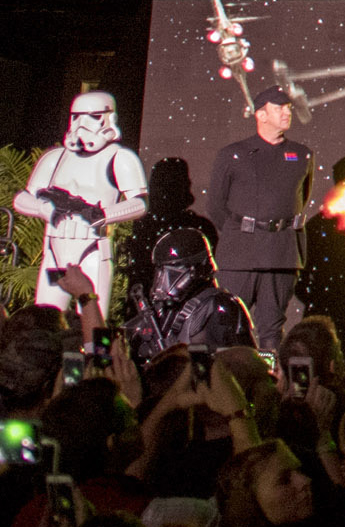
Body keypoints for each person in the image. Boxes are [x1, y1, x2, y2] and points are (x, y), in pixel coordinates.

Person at [12, 89, 151, 312]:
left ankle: (102, 349)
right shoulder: (54, 158)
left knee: (95, 326)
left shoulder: (119, 158)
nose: (82, 124)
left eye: (93, 117)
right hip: (55, 251)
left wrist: (104, 215)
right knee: (46, 319)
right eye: (76, 117)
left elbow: (140, 203)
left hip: (92, 251)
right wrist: (43, 208)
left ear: (108, 118)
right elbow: (21, 198)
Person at [208, 86, 320, 341]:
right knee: (230, 324)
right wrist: (243, 233)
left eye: (288, 108)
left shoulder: (302, 155)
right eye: (278, 107)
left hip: (280, 253)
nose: (286, 113)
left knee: (271, 328)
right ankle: (228, 377)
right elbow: (215, 205)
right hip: (240, 255)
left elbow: (301, 199)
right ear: (261, 114)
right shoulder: (233, 154)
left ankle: (268, 380)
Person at [128, 220, 259, 355]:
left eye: (171, 273)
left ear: (195, 269)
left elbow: (244, 364)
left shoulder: (219, 306)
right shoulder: (164, 310)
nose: (163, 282)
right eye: (160, 272)